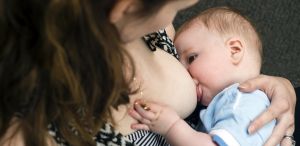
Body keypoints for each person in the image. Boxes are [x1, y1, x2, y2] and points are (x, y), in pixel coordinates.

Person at [0, 0, 296, 146]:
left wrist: (277, 87)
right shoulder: (32, 130)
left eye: (190, 58)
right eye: (175, 7)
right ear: (126, 9)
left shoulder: (240, 100)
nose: (185, 70)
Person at [129, 6, 295, 146]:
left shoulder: (240, 101)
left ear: (235, 50)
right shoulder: (233, 102)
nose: (185, 74)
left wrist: (171, 127)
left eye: (192, 58)